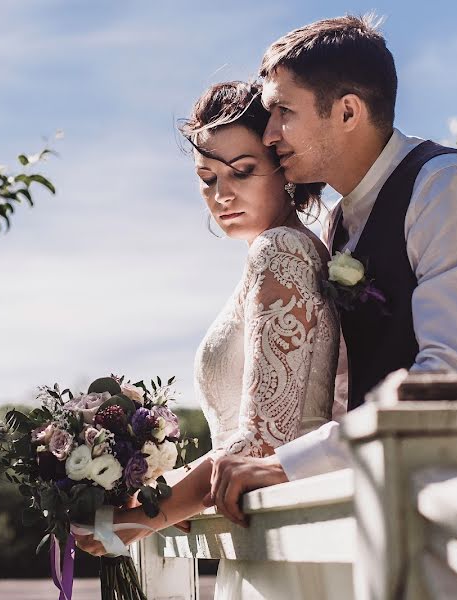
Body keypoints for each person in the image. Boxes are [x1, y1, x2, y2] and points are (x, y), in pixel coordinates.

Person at [207, 13, 457, 519]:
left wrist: (287, 465)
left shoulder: (446, 188)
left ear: (347, 111)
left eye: (284, 112)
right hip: (382, 516)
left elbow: (449, 383)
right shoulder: (338, 225)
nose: (269, 133)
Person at [76, 80, 350, 598]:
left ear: (282, 165)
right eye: (207, 178)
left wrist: (140, 519)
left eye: (241, 172)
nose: (222, 195)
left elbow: (262, 446)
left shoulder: (282, 254)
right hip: (266, 534)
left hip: (289, 546)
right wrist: (154, 489)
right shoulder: (286, 254)